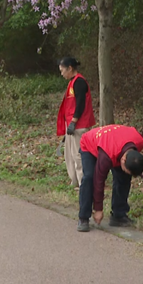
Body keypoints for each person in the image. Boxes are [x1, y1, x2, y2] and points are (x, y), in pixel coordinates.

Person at [77, 124, 143, 232]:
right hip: (90, 144)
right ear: (123, 160)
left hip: (115, 144)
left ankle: (118, 215)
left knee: (124, 177)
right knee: (89, 178)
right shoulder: (106, 157)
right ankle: (83, 217)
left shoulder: (140, 141)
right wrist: (98, 209)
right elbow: (98, 181)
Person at [56, 57, 96, 190]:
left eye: (63, 71)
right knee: (70, 154)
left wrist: (73, 122)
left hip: (79, 125)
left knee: (79, 155)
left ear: (70, 68)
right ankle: (75, 180)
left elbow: (80, 104)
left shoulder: (79, 82)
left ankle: (83, 182)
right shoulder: (73, 82)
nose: (62, 74)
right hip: (73, 125)